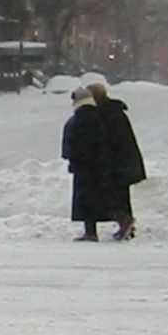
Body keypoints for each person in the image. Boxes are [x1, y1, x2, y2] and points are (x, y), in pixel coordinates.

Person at [89, 82, 147, 240]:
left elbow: (109, 140)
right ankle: (127, 225)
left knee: (110, 195)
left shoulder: (106, 114)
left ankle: (124, 221)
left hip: (117, 163)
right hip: (125, 161)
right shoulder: (115, 111)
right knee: (121, 195)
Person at [61, 87, 114, 241]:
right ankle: (117, 221)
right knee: (98, 199)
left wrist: (73, 157)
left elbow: (78, 142)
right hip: (97, 164)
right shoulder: (96, 116)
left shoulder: (81, 118)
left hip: (85, 166)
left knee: (87, 200)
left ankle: (90, 232)